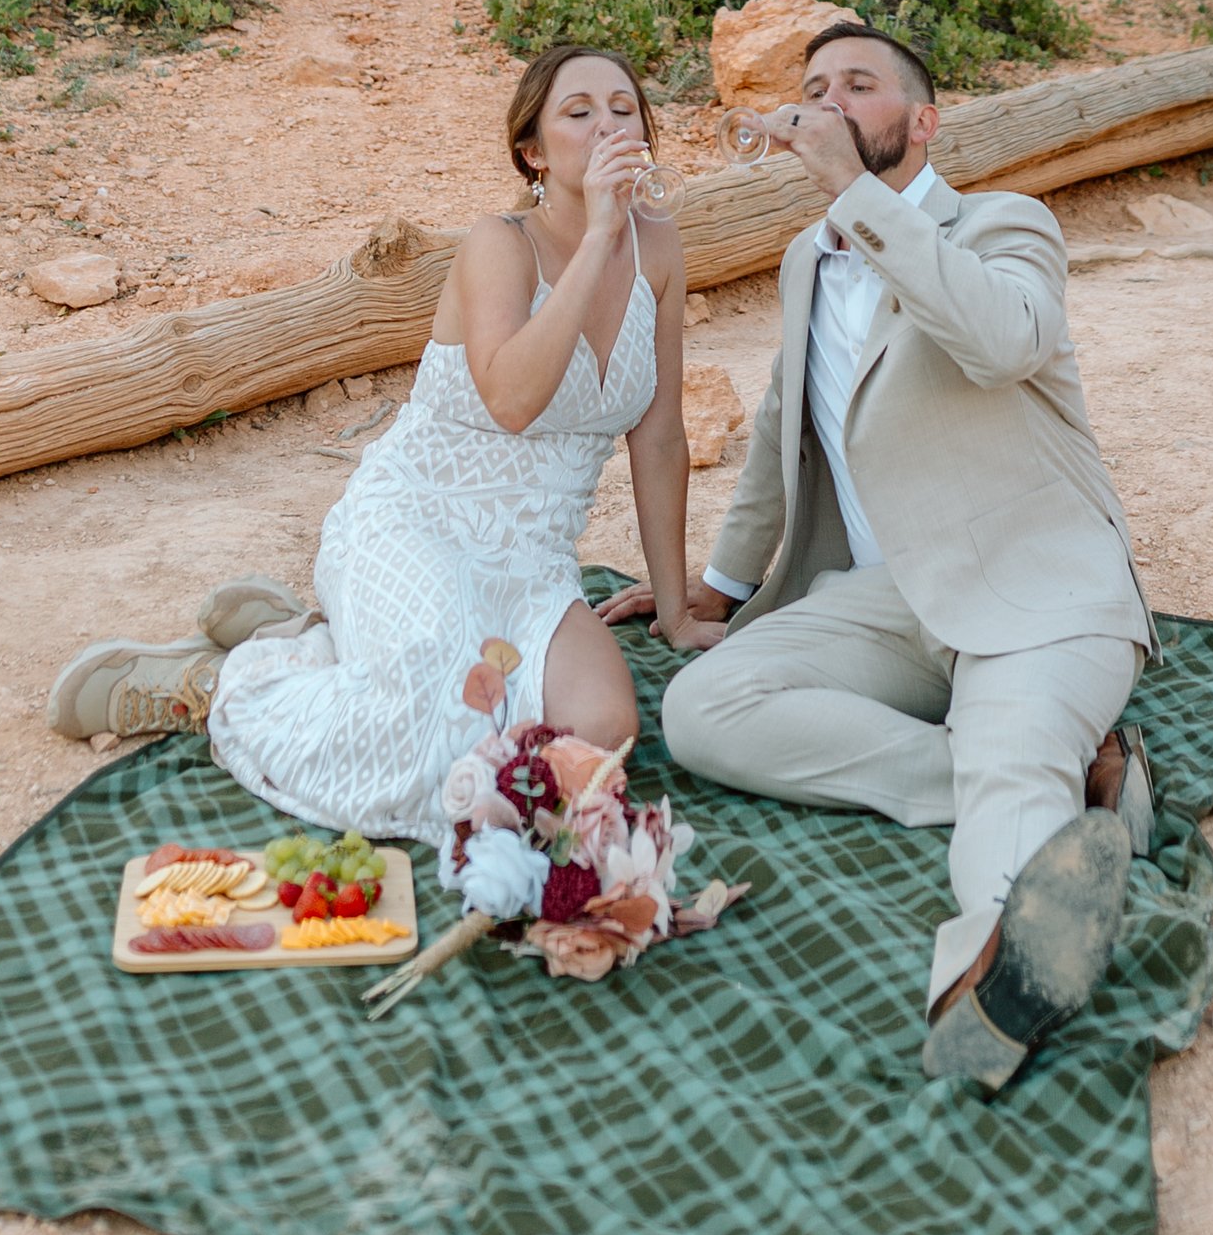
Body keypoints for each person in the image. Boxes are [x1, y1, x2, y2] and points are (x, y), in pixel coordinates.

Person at [45, 45, 724, 845]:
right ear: (533, 152)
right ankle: (216, 680)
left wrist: (676, 614)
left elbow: (660, 437)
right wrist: (598, 237)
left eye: (624, 107)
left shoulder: (661, 248)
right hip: (415, 521)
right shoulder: (497, 245)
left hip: (531, 561)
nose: (609, 124)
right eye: (579, 112)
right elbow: (512, 399)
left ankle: (319, 639)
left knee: (598, 741)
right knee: (434, 726)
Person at [654, 21, 1155, 1094]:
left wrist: (859, 200)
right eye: (815, 88)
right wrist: (718, 587)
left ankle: (987, 981)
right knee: (702, 709)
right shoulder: (807, 261)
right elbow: (785, 429)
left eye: (860, 86)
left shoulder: (1004, 226)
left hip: (1034, 586)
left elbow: (1004, 341)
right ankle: (1081, 787)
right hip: (886, 601)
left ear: (920, 122)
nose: (829, 103)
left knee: (1013, 759)